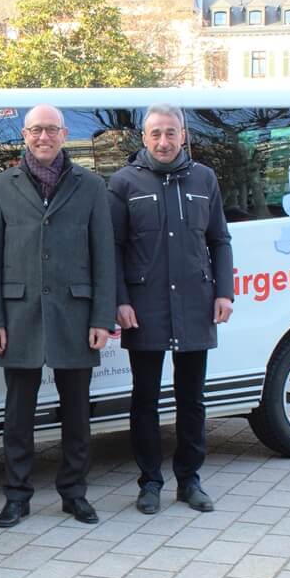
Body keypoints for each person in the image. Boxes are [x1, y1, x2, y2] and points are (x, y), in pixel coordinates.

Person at [0, 104, 115, 528]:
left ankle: (74, 494)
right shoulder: (1, 187)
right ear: (24, 135)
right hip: (19, 314)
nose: (43, 137)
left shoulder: (91, 186)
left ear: (64, 134)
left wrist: (102, 318)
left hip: (76, 313)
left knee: (77, 414)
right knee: (18, 416)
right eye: (36, 129)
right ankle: (16, 496)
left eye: (51, 129)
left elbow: (104, 256)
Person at [108, 103, 234, 515]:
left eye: (171, 133)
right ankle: (149, 482)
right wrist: (120, 299)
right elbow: (113, 247)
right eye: (156, 133)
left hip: (196, 303)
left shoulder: (204, 178)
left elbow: (219, 239)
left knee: (192, 399)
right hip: (145, 308)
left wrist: (224, 292)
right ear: (144, 137)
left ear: (184, 135)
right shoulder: (124, 182)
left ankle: (189, 480)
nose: (163, 141)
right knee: (145, 399)